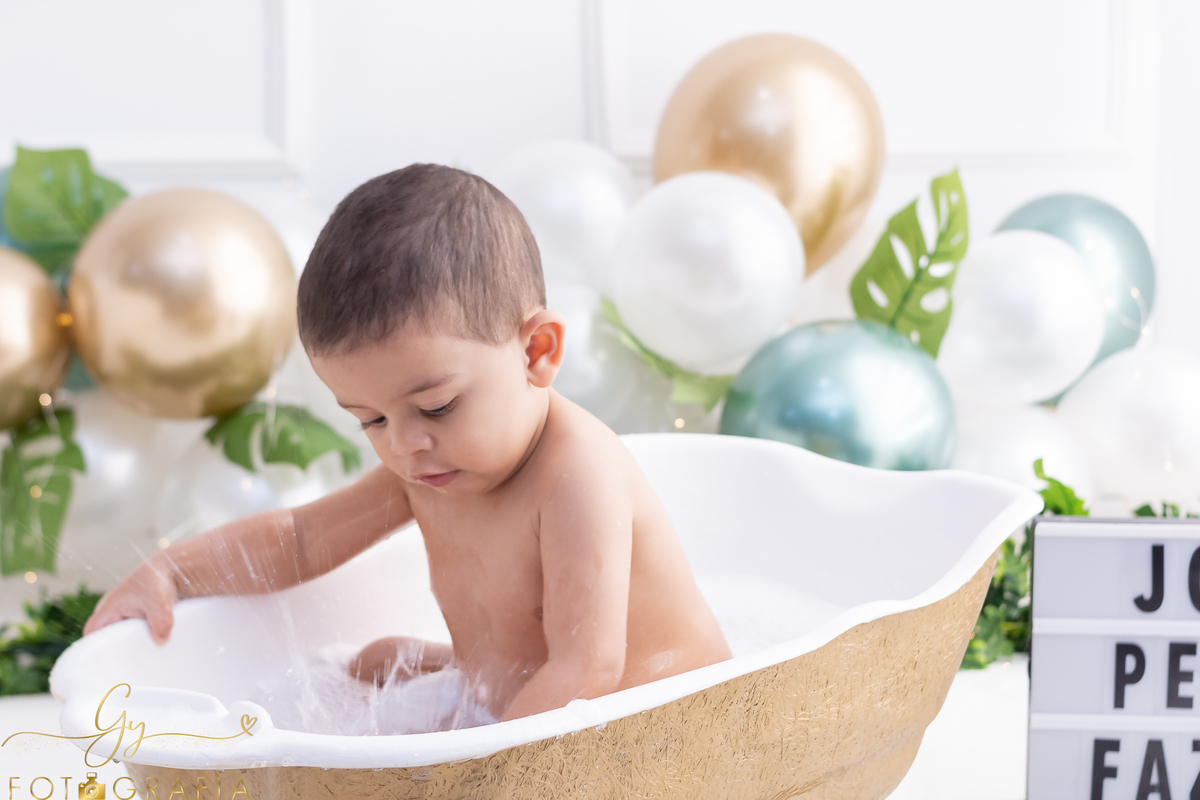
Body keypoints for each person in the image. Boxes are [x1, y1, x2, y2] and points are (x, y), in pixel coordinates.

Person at [82, 163, 731, 723]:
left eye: (436, 406)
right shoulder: (432, 463)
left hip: (654, 718)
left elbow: (586, 670)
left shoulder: (578, 476)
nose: (406, 445)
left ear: (536, 351)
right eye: (370, 420)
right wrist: (171, 572)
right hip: (522, 696)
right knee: (375, 662)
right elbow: (298, 541)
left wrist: (473, 772)